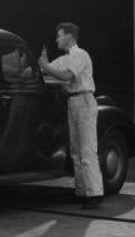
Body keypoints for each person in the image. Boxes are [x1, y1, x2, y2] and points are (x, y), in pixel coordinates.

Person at [37, 22, 103, 210]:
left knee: (87, 150)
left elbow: (66, 76)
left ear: (69, 36)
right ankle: (82, 191)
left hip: (84, 100)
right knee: (75, 151)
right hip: (72, 101)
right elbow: (44, 70)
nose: (56, 39)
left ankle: (95, 193)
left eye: (59, 35)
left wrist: (45, 66)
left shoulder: (80, 55)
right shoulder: (63, 58)